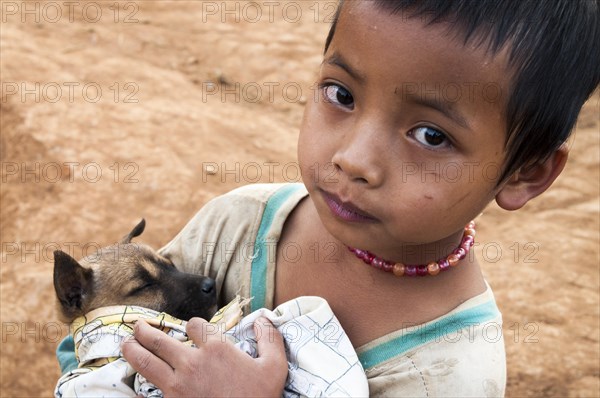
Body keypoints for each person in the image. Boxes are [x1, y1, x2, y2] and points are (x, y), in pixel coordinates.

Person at [59, 0, 599, 396]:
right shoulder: (234, 225)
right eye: (342, 94)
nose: (354, 160)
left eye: (431, 135)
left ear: (526, 172)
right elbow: (92, 343)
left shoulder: (451, 375)